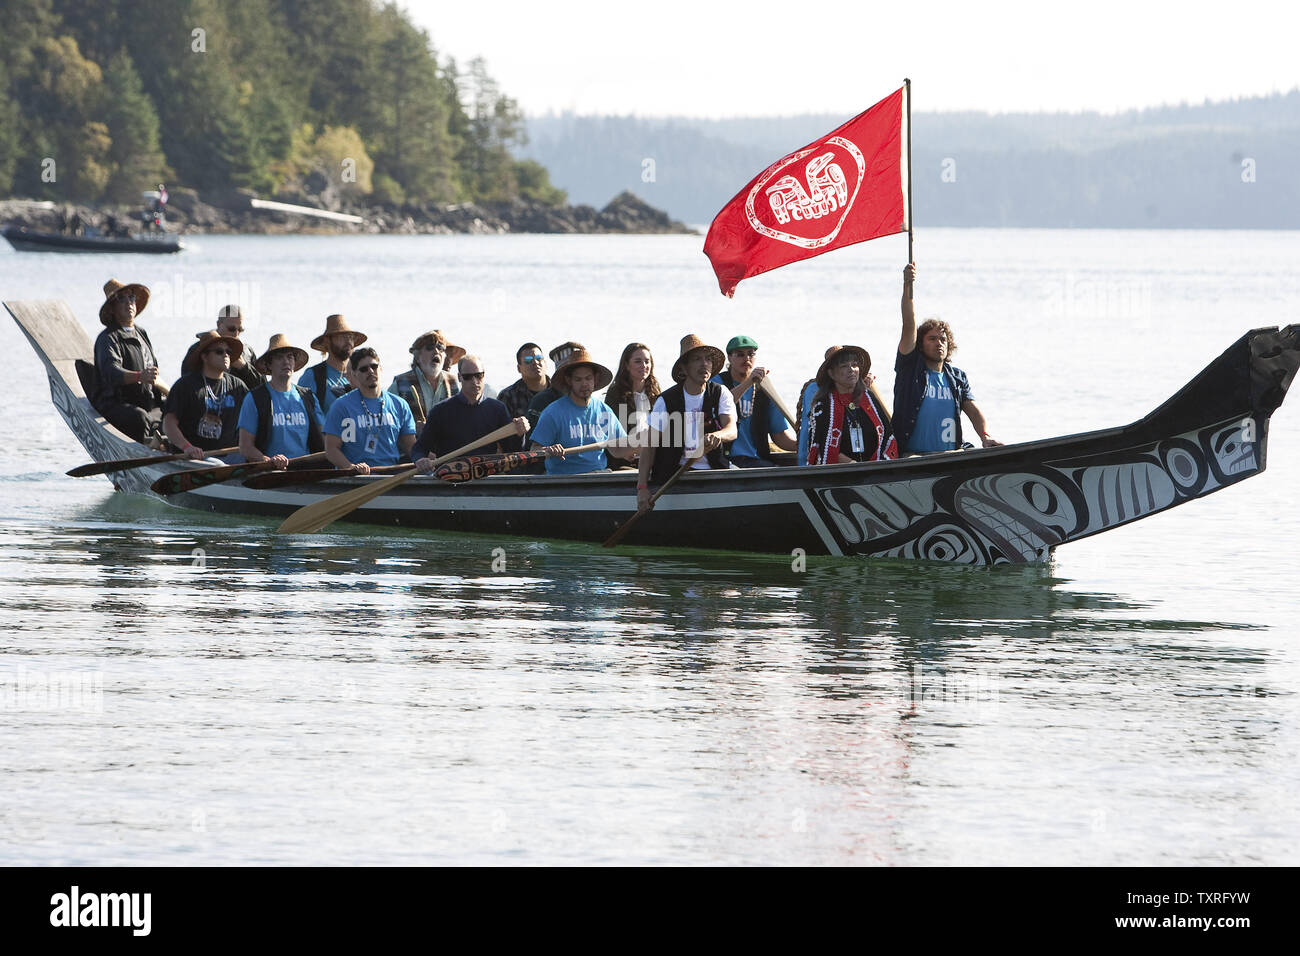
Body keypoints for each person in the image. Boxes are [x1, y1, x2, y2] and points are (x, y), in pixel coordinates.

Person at [894, 262, 1002, 454]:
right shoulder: (910, 368)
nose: (939, 343)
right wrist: (907, 284)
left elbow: (973, 410)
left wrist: (985, 436)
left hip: (949, 456)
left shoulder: (957, 378)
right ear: (920, 343)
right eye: (932, 339)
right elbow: (908, 324)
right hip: (912, 456)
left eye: (943, 339)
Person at [636, 334, 738, 513]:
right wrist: (642, 488)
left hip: (715, 471)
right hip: (675, 477)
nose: (704, 364)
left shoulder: (721, 393)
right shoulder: (666, 401)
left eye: (707, 359)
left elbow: (731, 429)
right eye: (697, 359)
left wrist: (717, 435)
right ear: (684, 367)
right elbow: (649, 445)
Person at [530, 348, 636, 475]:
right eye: (578, 380)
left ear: (595, 379)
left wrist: (637, 446)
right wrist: (549, 450)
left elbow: (619, 448)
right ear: (569, 381)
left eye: (588, 378)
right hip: (563, 482)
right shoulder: (553, 413)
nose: (584, 384)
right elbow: (534, 450)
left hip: (599, 478)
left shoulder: (604, 411)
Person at [412, 355, 528, 468]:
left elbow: (512, 450)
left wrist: (519, 433)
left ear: (484, 375)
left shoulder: (497, 409)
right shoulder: (440, 411)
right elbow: (420, 448)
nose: (474, 381)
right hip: (450, 479)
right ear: (459, 377)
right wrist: (421, 459)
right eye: (468, 377)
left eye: (479, 375)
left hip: (486, 478)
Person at [92, 278, 167, 444]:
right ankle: (143, 455)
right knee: (139, 417)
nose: (129, 303)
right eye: (121, 299)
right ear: (112, 308)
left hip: (146, 402)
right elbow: (111, 372)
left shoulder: (141, 333)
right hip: (117, 404)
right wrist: (139, 376)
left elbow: (153, 370)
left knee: (174, 411)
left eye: (131, 297)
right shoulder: (108, 338)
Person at [322, 348, 417, 474]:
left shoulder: (399, 404)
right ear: (354, 374)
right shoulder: (341, 406)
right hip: (356, 480)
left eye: (374, 366)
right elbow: (331, 450)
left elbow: (411, 446)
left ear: (381, 369)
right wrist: (351, 468)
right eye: (364, 369)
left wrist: (426, 458)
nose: (370, 371)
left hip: (391, 477)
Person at [237, 333, 325, 467]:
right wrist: (267, 461)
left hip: (306, 472)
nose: (286, 362)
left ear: (295, 363)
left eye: (290, 357)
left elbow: (325, 440)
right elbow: (245, 447)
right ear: (269, 365)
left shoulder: (309, 397)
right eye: (279, 358)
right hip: (269, 474)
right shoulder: (254, 398)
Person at [162, 331, 250, 459]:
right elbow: (168, 423)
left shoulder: (238, 386)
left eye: (228, 352)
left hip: (230, 458)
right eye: (219, 351)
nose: (225, 355)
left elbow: (256, 416)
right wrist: (187, 447)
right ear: (204, 357)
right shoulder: (185, 385)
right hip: (193, 459)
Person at [711, 335, 796, 467]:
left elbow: (779, 436)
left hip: (756, 460)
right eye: (740, 355)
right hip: (725, 460)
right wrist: (749, 382)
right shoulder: (717, 383)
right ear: (729, 357)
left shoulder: (764, 390)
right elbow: (721, 403)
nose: (747, 359)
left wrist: (805, 445)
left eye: (751, 354)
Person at [806, 345, 897, 465]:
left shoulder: (869, 398)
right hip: (839, 473)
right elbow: (821, 447)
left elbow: (886, 436)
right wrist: (853, 465)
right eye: (844, 366)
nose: (851, 370)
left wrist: (875, 466)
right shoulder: (823, 405)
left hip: (875, 469)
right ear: (831, 374)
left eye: (854, 365)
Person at [180, 304, 264, 390]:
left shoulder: (247, 351)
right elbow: (186, 381)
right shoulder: (200, 348)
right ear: (219, 324)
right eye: (231, 329)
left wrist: (244, 367)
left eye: (240, 330)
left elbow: (263, 387)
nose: (236, 334)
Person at [389, 330, 464, 424]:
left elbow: (462, 416)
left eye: (440, 347)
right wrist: (412, 429)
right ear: (417, 357)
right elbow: (388, 419)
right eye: (430, 347)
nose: (436, 351)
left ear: (444, 356)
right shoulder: (400, 383)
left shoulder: (453, 382)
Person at [298, 314, 365, 415]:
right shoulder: (313, 376)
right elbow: (304, 415)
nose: (348, 341)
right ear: (327, 341)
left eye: (351, 337)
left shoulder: (362, 374)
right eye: (342, 336)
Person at [604, 342, 661, 439]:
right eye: (638, 361)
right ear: (626, 365)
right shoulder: (616, 393)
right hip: (627, 450)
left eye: (647, 361)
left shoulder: (655, 391)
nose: (644, 365)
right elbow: (613, 432)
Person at [526, 341, 585, 430]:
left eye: (587, 377)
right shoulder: (542, 401)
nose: (583, 382)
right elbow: (534, 441)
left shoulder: (595, 405)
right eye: (575, 376)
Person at [496, 342, 549, 420]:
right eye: (528, 360)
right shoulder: (508, 396)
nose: (535, 362)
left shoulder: (561, 390)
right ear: (519, 368)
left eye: (539, 358)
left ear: (545, 363)